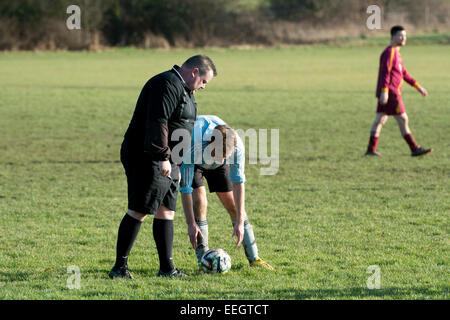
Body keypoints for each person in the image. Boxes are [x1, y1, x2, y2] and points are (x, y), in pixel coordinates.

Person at [109, 55, 217, 279]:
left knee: (166, 212)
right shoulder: (166, 84)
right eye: (204, 81)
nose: (203, 87)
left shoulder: (185, 89)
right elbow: (158, 121)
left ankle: (167, 269)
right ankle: (119, 268)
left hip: (170, 160)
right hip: (148, 157)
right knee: (139, 210)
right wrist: (162, 157)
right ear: (194, 71)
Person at [179, 115, 274, 271]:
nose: (222, 160)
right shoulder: (192, 142)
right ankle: (204, 262)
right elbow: (185, 188)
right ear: (209, 143)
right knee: (199, 202)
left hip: (214, 158)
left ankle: (254, 258)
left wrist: (239, 221)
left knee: (234, 207)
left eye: (225, 157)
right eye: (219, 155)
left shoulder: (236, 147)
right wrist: (191, 223)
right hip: (196, 162)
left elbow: (238, 182)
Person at [366, 25, 432, 157]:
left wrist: (418, 87)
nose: (403, 38)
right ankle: (414, 148)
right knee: (402, 118)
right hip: (391, 92)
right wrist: (384, 91)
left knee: (380, 119)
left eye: (405, 36)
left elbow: (403, 74)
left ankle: (371, 150)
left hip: (390, 91)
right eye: (400, 36)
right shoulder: (389, 52)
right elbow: (385, 72)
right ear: (393, 37)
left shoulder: (396, 53)